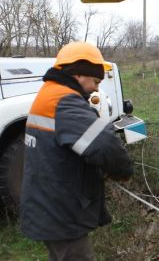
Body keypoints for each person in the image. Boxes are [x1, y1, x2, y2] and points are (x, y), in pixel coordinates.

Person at [20, 42, 134, 261]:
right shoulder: (63, 102)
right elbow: (104, 145)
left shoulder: (49, 94)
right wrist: (123, 171)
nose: (96, 88)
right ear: (80, 73)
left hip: (48, 204)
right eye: (96, 81)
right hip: (59, 212)